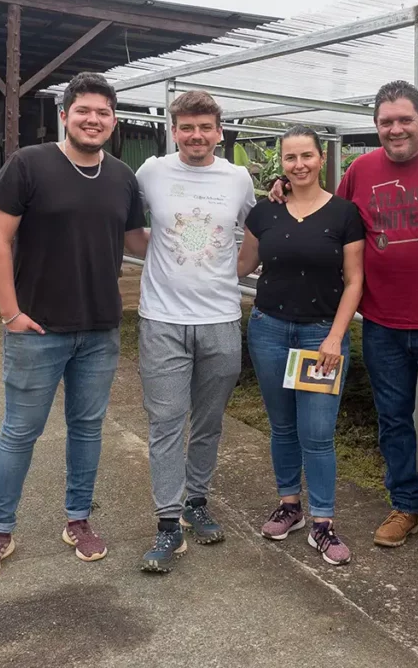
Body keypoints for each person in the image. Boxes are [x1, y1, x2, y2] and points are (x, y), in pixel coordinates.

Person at [269, 80, 418, 571]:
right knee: (393, 421)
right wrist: (283, 188)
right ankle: (405, 506)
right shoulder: (361, 170)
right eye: (385, 122)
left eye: (403, 120)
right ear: (376, 127)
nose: (395, 129)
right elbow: (328, 208)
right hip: (381, 324)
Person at [0, 72, 149, 580]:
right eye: (84, 110)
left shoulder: (121, 177)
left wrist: (204, 233)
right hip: (36, 329)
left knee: (87, 429)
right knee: (20, 432)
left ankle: (78, 520)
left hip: (100, 329)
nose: (94, 120)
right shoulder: (28, 165)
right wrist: (10, 313)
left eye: (104, 113)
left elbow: (138, 242)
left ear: (114, 121)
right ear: (64, 115)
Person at [135, 89, 256, 573]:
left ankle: (196, 502)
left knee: (208, 421)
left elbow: (258, 229)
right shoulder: (151, 173)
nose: (196, 135)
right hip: (162, 319)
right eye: (186, 127)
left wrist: (234, 274)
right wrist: (166, 265)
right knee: (166, 422)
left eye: (205, 127)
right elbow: (129, 227)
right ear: (174, 130)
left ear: (218, 132)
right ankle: (167, 525)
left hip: (221, 320)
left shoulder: (239, 179)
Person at [237, 125, 365, 566]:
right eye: (290, 158)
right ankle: (290, 505)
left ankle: (323, 523)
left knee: (318, 432)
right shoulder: (264, 212)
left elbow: (355, 281)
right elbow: (241, 265)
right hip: (268, 329)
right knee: (283, 427)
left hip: (320, 337)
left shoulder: (344, 214)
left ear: (320, 159)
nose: (299, 165)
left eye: (306, 155)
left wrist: (335, 336)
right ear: (282, 163)